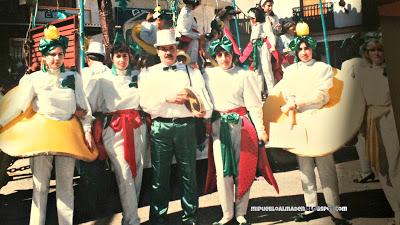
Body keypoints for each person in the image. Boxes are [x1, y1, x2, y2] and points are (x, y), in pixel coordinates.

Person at [0, 25, 95, 225]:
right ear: (44, 56)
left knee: (66, 186)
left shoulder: (73, 77)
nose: (56, 59)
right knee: (40, 186)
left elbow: (84, 108)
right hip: (42, 135)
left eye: (60, 54)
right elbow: (19, 106)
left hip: (67, 134)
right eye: (52, 54)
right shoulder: (33, 79)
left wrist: (87, 131)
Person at [138, 29, 212, 225]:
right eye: (163, 49)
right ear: (158, 51)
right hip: (160, 127)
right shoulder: (147, 74)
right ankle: (158, 219)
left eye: (171, 48)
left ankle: (190, 218)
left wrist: (198, 107)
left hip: (186, 126)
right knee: (159, 176)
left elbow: (204, 102)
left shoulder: (192, 71)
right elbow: (145, 103)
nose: (168, 52)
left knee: (189, 174)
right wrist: (166, 98)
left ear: (176, 48)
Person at [281, 33, 351, 225]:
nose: (304, 52)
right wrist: (292, 103)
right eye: (300, 49)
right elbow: (288, 93)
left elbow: (322, 96)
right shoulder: (290, 71)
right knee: (304, 166)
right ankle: (310, 207)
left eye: (307, 48)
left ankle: (335, 210)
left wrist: (298, 102)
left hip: (318, 118)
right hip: (299, 120)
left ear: (313, 49)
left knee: (325, 164)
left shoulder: (323, 68)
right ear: (296, 51)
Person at [204, 36, 275, 225]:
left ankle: (241, 212)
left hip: (242, 126)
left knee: (243, 169)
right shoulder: (208, 75)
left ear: (232, 55)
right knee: (223, 170)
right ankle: (226, 214)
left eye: (226, 54)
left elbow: (254, 105)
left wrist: (261, 130)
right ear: (215, 57)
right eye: (219, 54)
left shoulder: (245, 75)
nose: (223, 58)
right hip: (220, 127)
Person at [86, 42, 146, 225]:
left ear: (130, 57)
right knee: (124, 173)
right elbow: (90, 105)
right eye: (118, 56)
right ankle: (133, 219)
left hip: (138, 126)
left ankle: (129, 217)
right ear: (111, 58)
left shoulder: (138, 77)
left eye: (125, 56)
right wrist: (88, 128)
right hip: (115, 129)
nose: (122, 60)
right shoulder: (102, 80)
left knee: (138, 171)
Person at [344, 35, 400, 225]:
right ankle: (397, 211)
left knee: (396, 168)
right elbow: (357, 103)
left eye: (380, 49)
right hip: (372, 126)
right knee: (381, 170)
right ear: (366, 54)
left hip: (391, 122)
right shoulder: (361, 74)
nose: (376, 53)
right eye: (372, 50)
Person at [247, 6, 276, 98]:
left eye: (253, 18)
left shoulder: (265, 24)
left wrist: (273, 46)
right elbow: (252, 38)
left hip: (263, 46)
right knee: (257, 69)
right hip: (256, 47)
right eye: (250, 18)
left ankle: (272, 91)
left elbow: (271, 35)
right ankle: (259, 91)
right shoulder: (254, 25)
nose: (251, 20)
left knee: (266, 68)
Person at [176, 0, 201, 64]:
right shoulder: (187, 13)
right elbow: (184, 31)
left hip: (187, 40)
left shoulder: (186, 12)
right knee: (189, 63)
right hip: (186, 42)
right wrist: (199, 36)